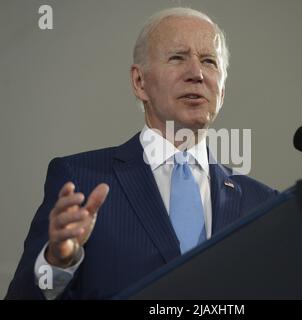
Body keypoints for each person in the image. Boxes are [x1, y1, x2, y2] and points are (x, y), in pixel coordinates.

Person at [5, 7, 278, 300]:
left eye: (209, 61)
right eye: (177, 57)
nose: (197, 74)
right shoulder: (81, 181)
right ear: (140, 82)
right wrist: (57, 263)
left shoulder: (262, 205)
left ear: (221, 91)